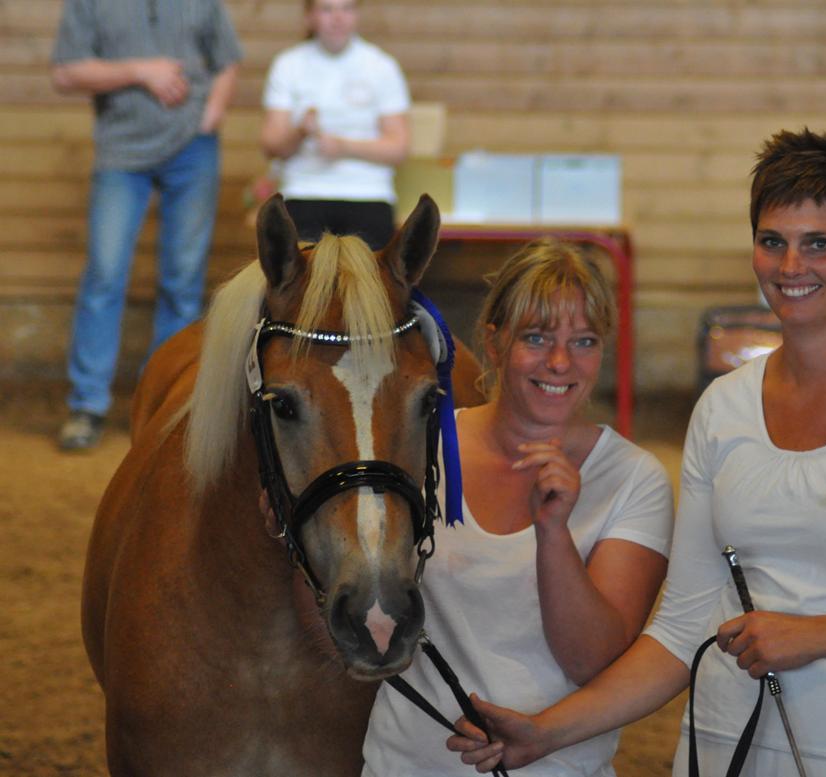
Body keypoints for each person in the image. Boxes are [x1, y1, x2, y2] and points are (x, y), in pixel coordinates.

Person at [448, 130, 826, 777]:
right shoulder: (722, 408)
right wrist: (545, 733)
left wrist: (822, 633)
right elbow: (683, 624)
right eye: (772, 241)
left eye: (818, 244)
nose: (790, 267)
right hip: (721, 747)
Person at [360, 239, 675, 777]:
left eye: (583, 341)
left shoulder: (634, 478)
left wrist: (553, 533)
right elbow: (360, 611)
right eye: (536, 337)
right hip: (404, 764)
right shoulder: (423, 445)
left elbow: (591, 660)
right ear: (494, 340)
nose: (559, 361)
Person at [50, 0, 241, 451]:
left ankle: (165, 400)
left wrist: (211, 114)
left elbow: (227, 61)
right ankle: (87, 404)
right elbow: (66, 72)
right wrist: (141, 70)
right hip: (120, 153)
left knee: (183, 279)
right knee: (104, 274)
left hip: (194, 151)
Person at [260, 0, 411, 250]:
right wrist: (300, 132)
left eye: (347, 8)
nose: (337, 18)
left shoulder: (382, 66)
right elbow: (271, 146)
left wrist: (343, 147)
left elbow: (399, 147)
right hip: (304, 192)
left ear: (356, 15)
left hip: (368, 194)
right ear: (309, 17)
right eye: (327, 9)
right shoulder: (288, 65)